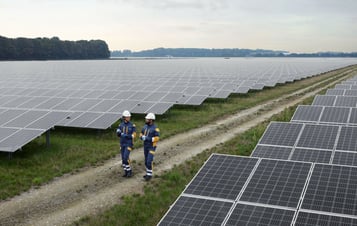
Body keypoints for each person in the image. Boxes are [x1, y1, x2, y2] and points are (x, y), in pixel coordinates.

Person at [140, 113, 160, 181]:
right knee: (146, 161)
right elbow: (141, 133)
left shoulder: (155, 128)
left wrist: (148, 138)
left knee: (149, 160)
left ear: (151, 120)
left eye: (147, 119)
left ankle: (149, 175)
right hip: (145, 146)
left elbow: (157, 138)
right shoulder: (144, 127)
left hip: (152, 146)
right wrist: (141, 137)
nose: (146, 120)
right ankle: (148, 173)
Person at [116, 110, 136, 178]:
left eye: (129, 117)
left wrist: (125, 135)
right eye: (127, 117)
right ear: (124, 117)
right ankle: (126, 171)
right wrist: (119, 132)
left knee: (125, 157)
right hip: (122, 144)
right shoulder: (120, 125)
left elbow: (134, 135)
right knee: (123, 159)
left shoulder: (132, 125)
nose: (129, 118)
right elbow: (118, 134)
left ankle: (129, 171)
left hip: (129, 144)